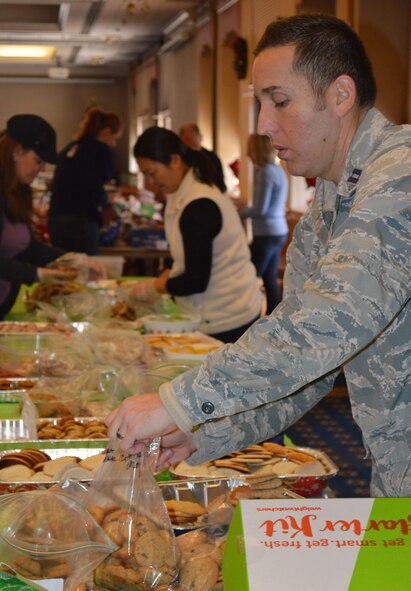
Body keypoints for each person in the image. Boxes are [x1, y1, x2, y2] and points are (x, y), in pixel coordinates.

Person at [106, 14, 411, 497]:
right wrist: (203, 431)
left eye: (280, 102)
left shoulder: (401, 173)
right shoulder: (325, 211)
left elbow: (328, 321)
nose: (265, 125)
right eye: (261, 105)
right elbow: (308, 370)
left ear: (340, 96)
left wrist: (181, 401)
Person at [129, 126, 262, 343]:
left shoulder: (199, 204)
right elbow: (182, 253)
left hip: (228, 314)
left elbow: (196, 279)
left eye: (152, 173)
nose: (150, 182)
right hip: (214, 306)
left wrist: (155, 287)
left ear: (174, 160)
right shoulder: (180, 191)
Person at [0, 114, 80, 318]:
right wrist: (37, 274)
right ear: (17, 152)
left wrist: (72, 259)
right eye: (38, 161)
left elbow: (25, 247)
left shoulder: (18, 190)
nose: (43, 169)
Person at [48, 107, 122, 255]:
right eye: (114, 139)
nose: (113, 144)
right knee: (86, 268)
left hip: (57, 217)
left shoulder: (73, 146)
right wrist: (106, 201)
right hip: (81, 219)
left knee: (64, 266)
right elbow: (94, 186)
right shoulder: (100, 150)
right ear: (106, 132)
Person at [239, 133, 288, 313]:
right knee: (269, 279)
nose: (247, 154)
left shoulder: (264, 173)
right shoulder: (277, 170)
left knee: (249, 278)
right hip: (279, 231)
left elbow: (261, 209)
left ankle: (246, 319)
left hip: (267, 233)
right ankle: (272, 319)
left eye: (250, 149)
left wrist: (240, 213)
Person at [179, 123, 227, 193]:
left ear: (200, 137)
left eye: (194, 145)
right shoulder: (180, 160)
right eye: (187, 140)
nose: (191, 148)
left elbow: (220, 183)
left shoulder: (212, 158)